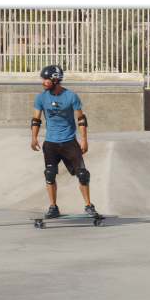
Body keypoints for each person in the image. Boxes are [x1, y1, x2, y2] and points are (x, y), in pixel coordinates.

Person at [30, 65, 98, 218]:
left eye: (46, 79)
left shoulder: (71, 95)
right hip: (51, 143)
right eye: (42, 78)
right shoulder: (41, 97)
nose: (43, 82)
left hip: (69, 141)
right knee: (49, 173)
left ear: (55, 80)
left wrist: (84, 140)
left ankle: (88, 206)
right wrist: (34, 138)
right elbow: (36, 119)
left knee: (83, 174)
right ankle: (53, 207)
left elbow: (81, 119)